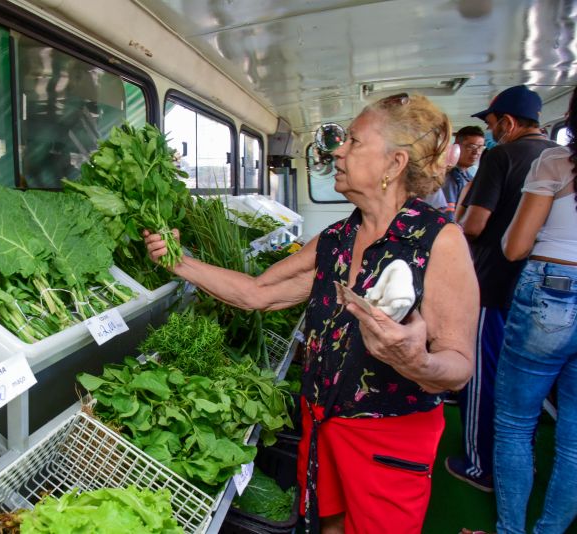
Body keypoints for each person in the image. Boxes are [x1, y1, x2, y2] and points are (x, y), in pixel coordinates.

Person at [145, 93, 478, 533]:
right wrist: (179, 262)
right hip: (321, 423)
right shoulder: (336, 238)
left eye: (354, 142)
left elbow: (458, 366)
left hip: (389, 436)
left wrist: (416, 361)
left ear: (394, 164)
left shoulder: (438, 240)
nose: (338, 151)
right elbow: (257, 292)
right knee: (325, 526)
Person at [448, 85, 559, 492]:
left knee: (481, 374)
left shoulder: (502, 156)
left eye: (493, 124)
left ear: (508, 124)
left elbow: (474, 224)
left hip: (493, 286)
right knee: (522, 386)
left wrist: (446, 235)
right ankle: (521, 466)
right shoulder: (556, 158)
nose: (491, 133)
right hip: (539, 294)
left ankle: (479, 466)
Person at [492, 85, 577, 533]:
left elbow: (515, 247)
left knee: (514, 423)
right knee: (575, 442)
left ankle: (511, 530)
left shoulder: (555, 161)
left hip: (553, 291)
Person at [441, 126, 485, 220]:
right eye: (471, 146)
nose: (476, 152)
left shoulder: (469, 176)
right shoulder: (450, 177)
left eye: (480, 147)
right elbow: (447, 216)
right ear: (456, 146)